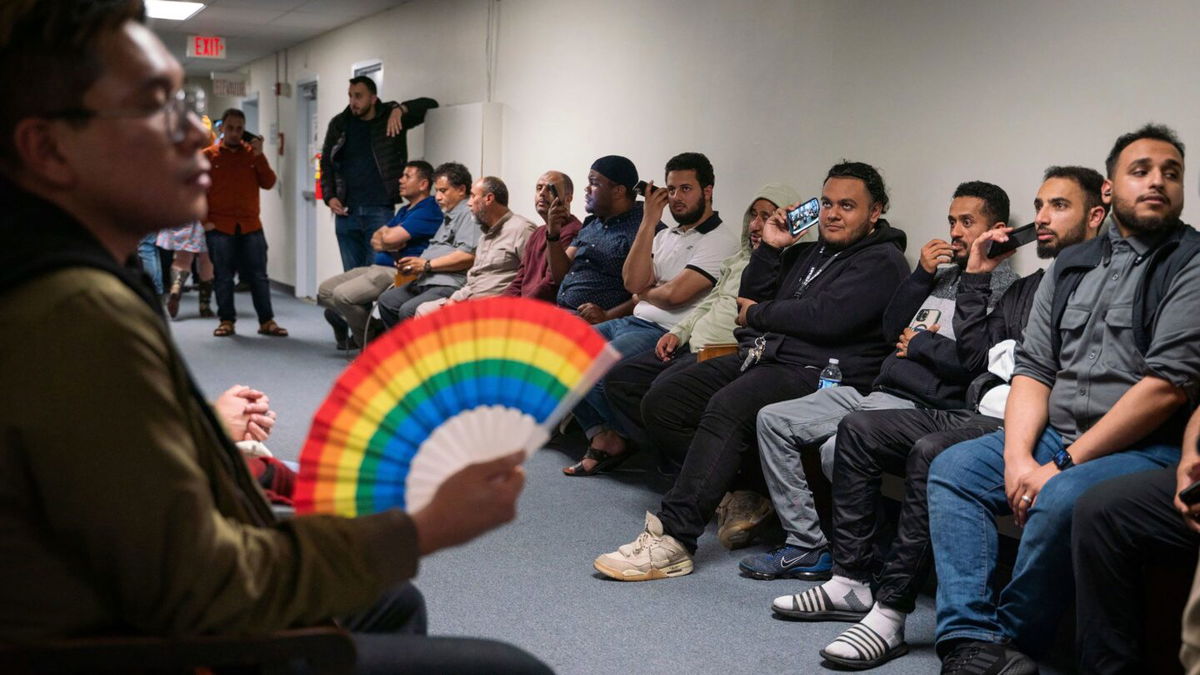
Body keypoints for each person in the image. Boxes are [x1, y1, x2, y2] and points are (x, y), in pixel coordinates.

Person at [0, 4, 549, 672]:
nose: (197, 137)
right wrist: (422, 525)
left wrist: (199, 421)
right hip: (155, 640)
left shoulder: (69, 277)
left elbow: (96, 447)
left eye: (191, 109)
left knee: (392, 602)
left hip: (130, 595)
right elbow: (206, 591)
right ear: (49, 148)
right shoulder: (73, 314)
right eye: (154, 105)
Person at [771, 167, 1106, 670]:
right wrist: (971, 274)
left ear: (1097, 215)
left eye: (1058, 207)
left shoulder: (1097, 283)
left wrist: (929, 342)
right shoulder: (1029, 287)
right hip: (987, 410)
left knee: (934, 455)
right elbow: (977, 353)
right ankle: (851, 581)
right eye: (1039, 207)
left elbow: (977, 363)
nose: (1041, 219)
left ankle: (889, 613)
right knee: (858, 430)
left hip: (1007, 420)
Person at [927, 124, 1200, 674]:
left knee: (1060, 496)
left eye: (1171, 173)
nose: (1157, 182)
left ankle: (1011, 640)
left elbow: (1167, 385)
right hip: (1059, 430)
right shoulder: (1073, 264)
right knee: (953, 468)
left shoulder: (1189, 261)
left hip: (1144, 447)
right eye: (1140, 170)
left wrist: (1060, 465)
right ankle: (969, 637)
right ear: (1110, 189)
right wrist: (1017, 459)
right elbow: (1034, 368)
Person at [592, 162, 909, 580]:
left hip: (823, 373)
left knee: (728, 406)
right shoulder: (809, 251)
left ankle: (674, 537)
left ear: (875, 212)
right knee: (665, 400)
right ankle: (745, 488)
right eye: (828, 203)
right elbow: (750, 294)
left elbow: (824, 318)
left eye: (847, 206)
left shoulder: (884, 260)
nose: (833, 214)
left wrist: (760, 315)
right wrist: (773, 247)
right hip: (769, 355)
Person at [742, 181, 1016, 577]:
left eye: (967, 222)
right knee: (772, 419)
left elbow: (977, 363)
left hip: (923, 404)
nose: (955, 231)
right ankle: (808, 544)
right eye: (952, 221)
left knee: (838, 448)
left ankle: (867, 555)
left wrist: (920, 345)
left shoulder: (1005, 289)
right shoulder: (942, 276)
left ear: (997, 229)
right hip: (879, 390)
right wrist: (922, 275)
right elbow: (891, 330)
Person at [601, 182, 802, 481]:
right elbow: (710, 302)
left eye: (769, 216)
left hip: (723, 352)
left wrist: (647, 297)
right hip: (690, 344)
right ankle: (681, 460)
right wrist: (678, 333)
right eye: (755, 216)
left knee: (659, 396)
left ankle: (713, 474)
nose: (758, 225)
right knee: (619, 379)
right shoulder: (739, 259)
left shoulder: (790, 266)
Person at [563, 152, 739, 476]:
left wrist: (645, 291)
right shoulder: (663, 234)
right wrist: (647, 220)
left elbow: (675, 297)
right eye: (670, 190)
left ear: (708, 191)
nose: (676, 198)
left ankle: (644, 441)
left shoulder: (721, 239)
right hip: (632, 320)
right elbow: (630, 281)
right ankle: (603, 436)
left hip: (664, 331)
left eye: (685, 189)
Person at [317, 160, 442, 348]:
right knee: (325, 291)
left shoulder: (429, 209)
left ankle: (368, 347)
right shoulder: (404, 211)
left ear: (423, 184)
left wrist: (390, 239)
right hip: (377, 267)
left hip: (397, 271)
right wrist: (390, 240)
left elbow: (389, 238)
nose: (400, 180)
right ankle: (376, 329)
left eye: (407, 176)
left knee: (343, 296)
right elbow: (376, 239)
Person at [319, 75, 438, 271]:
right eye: (350, 96)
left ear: (373, 98)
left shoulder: (390, 117)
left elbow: (431, 104)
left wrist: (401, 109)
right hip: (346, 212)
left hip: (380, 210)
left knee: (377, 273)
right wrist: (329, 196)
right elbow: (326, 163)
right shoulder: (340, 124)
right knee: (351, 277)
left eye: (358, 96)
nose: (353, 102)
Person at [204, 107, 286, 338]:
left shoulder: (252, 154)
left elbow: (269, 182)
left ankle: (266, 321)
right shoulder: (208, 156)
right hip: (219, 227)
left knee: (259, 276)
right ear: (222, 128)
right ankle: (226, 321)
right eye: (230, 128)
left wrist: (259, 155)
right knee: (223, 276)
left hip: (251, 225)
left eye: (239, 129)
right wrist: (204, 222)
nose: (234, 133)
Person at [412, 176, 537, 316]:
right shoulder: (485, 235)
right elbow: (475, 279)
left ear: (488, 199)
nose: (468, 203)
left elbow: (532, 279)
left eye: (472, 196)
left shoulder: (522, 229)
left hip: (495, 307)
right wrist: (454, 300)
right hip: (470, 299)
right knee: (424, 310)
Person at [376, 162, 478, 328]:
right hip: (426, 279)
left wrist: (426, 265)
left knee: (408, 310)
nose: (437, 197)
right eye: (436, 191)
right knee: (387, 301)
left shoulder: (468, 215)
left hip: (449, 283)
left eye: (443, 191)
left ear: (461, 190)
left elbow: (468, 257)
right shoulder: (448, 216)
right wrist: (412, 265)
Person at [552, 155, 644, 321]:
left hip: (599, 322)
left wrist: (607, 316)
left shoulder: (644, 227)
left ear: (618, 191)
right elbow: (560, 275)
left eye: (594, 183)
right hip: (561, 312)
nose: (587, 189)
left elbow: (647, 292)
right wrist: (552, 234)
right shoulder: (591, 224)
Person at [502, 170, 582, 301]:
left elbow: (552, 284)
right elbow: (520, 279)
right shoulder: (537, 233)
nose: (542, 193)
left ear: (568, 198)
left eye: (550, 189)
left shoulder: (575, 231)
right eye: (539, 188)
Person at [157, 219, 213, 318]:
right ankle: (205, 306)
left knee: (182, 260)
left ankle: (176, 287)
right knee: (206, 261)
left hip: (184, 220)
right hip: (205, 220)